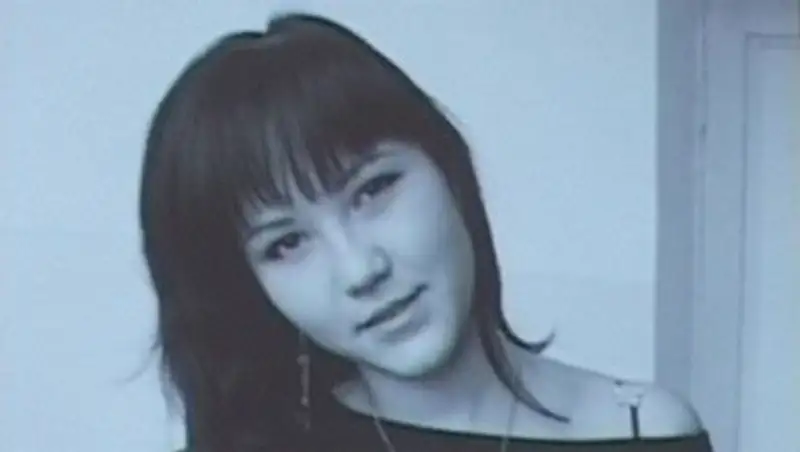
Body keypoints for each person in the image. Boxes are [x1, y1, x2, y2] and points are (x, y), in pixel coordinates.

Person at [138, 11, 714, 452]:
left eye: (372, 190)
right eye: (286, 243)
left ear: (448, 170)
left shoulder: (642, 430)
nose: (360, 270)